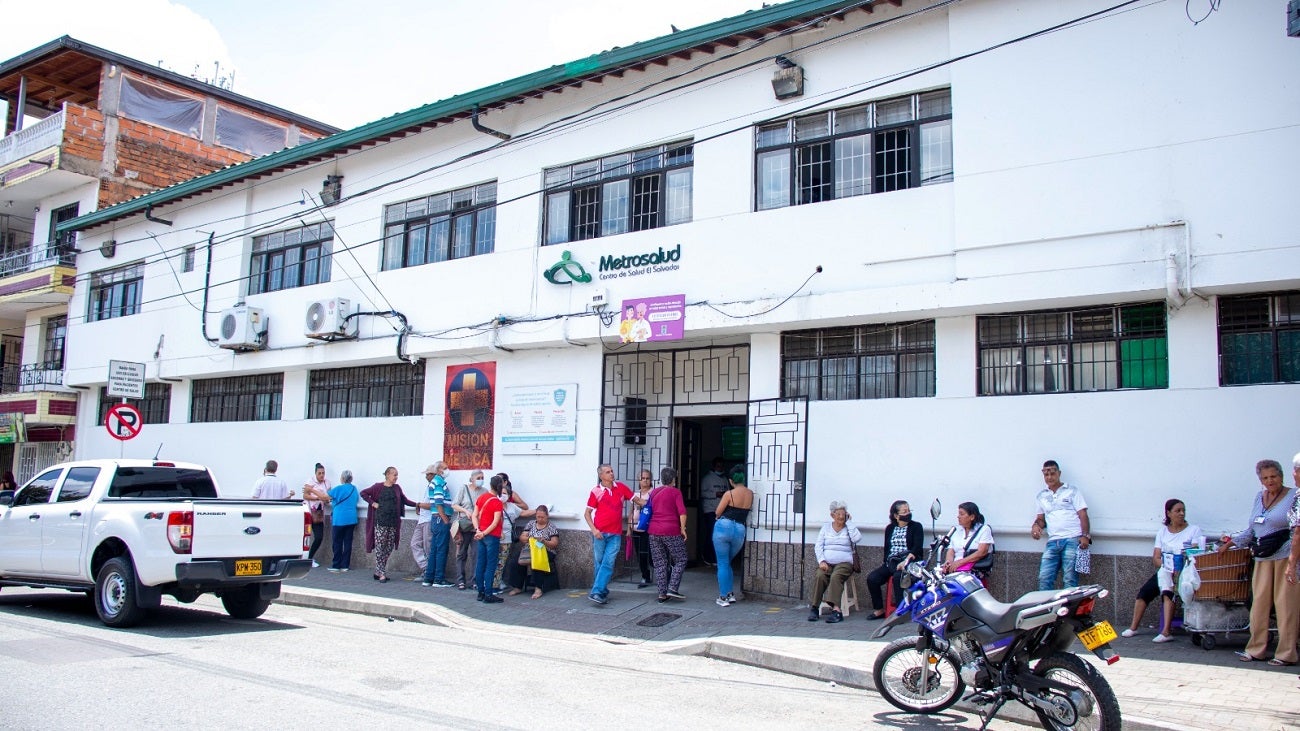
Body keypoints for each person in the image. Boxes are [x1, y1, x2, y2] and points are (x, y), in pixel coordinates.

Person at [1219, 459, 1297, 666]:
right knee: (1259, 605)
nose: (1270, 481)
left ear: (1281, 476)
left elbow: (1297, 529)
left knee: (1285, 605)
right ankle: (1256, 649)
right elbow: (1253, 529)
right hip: (1262, 557)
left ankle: (1286, 653)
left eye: (1274, 476)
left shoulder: (1294, 496)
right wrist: (1231, 543)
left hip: (1285, 556)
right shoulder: (1258, 497)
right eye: (1265, 478)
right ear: (1260, 480)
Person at [1122, 499, 1203, 642]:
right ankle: (1133, 627)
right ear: (1169, 513)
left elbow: (1195, 554)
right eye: (1178, 511)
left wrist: (1179, 566)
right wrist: (1166, 566)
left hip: (1184, 572)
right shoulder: (1163, 532)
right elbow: (1156, 558)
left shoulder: (1193, 530)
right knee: (1145, 592)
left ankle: (1166, 632)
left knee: (1168, 592)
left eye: (1183, 510)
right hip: (1166, 569)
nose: (1182, 513)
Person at [1030, 459, 1090, 590]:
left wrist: (1085, 535)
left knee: (1070, 579)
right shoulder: (1041, 496)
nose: (1049, 477)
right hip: (1053, 541)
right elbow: (1041, 519)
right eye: (1046, 474)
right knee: (1044, 578)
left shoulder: (1072, 491)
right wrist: (1036, 526)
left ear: (1059, 473)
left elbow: (1083, 514)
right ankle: (1046, 604)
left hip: (1072, 539)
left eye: (1052, 473)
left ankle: (1069, 605)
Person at [584, 464, 633, 605]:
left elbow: (635, 499)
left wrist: (651, 501)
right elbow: (587, 513)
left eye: (612, 471)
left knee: (608, 562)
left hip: (615, 534)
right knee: (599, 562)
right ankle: (602, 591)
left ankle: (596, 591)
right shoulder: (596, 491)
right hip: (599, 533)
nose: (611, 473)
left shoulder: (621, 488)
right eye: (607, 472)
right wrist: (594, 530)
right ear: (601, 476)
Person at [866, 500, 924, 619]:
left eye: (908, 511)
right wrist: (887, 562)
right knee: (872, 579)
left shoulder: (916, 527)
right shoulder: (890, 528)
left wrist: (905, 562)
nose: (908, 513)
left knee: (898, 577)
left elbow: (917, 548)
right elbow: (887, 548)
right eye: (904, 511)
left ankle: (900, 611)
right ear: (896, 516)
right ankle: (879, 609)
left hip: (909, 562)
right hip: (892, 562)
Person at [360, 467, 416, 583]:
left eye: (397, 475)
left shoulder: (397, 488)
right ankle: (382, 572)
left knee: (389, 546)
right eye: (394, 475)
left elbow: (405, 500)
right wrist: (373, 503)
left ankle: (378, 571)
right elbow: (363, 493)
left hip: (393, 522)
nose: (396, 477)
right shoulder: (377, 487)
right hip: (380, 522)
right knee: (380, 547)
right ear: (387, 475)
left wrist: (418, 505)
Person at [809, 500, 860, 624]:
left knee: (836, 576)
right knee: (820, 575)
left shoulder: (849, 527)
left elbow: (857, 538)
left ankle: (836, 611)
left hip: (845, 563)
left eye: (843, 514)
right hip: (827, 563)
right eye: (838, 514)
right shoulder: (826, 528)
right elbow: (818, 546)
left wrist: (849, 522)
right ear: (832, 515)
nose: (841, 517)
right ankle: (814, 607)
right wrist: (822, 561)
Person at [712, 468, 753, 607]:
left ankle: (723, 597)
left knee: (722, 563)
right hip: (740, 529)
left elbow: (718, 512)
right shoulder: (750, 494)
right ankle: (730, 594)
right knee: (727, 562)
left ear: (731, 481)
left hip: (724, 527)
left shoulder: (729, 494)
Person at [648, 467, 688, 603]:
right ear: (673, 479)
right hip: (671, 530)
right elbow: (682, 512)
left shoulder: (654, 492)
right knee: (681, 559)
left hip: (654, 530)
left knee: (659, 563)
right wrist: (683, 529)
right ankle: (673, 588)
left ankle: (662, 594)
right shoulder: (675, 492)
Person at [506, 504, 561, 599]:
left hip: (546, 550)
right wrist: (528, 538)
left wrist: (544, 541)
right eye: (538, 517)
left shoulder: (551, 527)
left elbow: (554, 543)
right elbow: (522, 537)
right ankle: (517, 586)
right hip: (530, 549)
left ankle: (538, 588)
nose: (540, 519)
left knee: (537, 561)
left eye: (542, 517)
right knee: (515, 561)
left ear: (547, 516)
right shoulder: (531, 524)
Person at [494, 473, 532, 591]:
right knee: (493, 561)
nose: (503, 495)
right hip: (494, 537)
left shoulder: (511, 506)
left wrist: (540, 510)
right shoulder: (493, 503)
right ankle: (491, 585)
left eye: (505, 493)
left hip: (507, 539)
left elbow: (524, 512)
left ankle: (496, 584)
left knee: (502, 562)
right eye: (501, 493)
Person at [420, 462, 456, 588]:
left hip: (436, 519)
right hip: (440, 519)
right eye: (445, 468)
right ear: (439, 470)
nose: (447, 470)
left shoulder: (435, 482)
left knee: (434, 549)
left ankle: (429, 578)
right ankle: (439, 579)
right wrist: (445, 519)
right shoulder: (439, 482)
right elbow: (438, 502)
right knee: (441, 550)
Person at [473, 474, 506, 603]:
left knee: (480, 564)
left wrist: (478, 530)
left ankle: (480, 592)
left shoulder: (481, 497)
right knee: (491, 565)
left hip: (481, 534)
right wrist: (484, 533)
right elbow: (495, 522)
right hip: (491, 536)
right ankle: (488, 594)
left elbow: (474, 515)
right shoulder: (497, 502)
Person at [451, 470, 487, 590]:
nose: (481, 480)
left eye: (482, 477)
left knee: (476, 554)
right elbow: (454, 505)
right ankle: (460, 580)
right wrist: (465, 511)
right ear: (472, 479)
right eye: (478, 478)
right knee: (461, 553)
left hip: (477, 527)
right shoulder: (464, 488)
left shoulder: (484, 491)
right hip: (464, 525)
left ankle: (474, 581)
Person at [943, 502, 994, 581]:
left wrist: (959, 563)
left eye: (961, 514)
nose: (958, 516)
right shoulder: (957, 530)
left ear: (972, 517)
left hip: (973, 572)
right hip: (955, 571)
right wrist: (948, 562)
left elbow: (982, 552)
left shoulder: (984, 529)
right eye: (958, 514)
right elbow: (951, 550)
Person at [410, 463, 444, 574]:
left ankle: (430, 572)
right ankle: (426, 568)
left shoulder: (436, 486)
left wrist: (419, 505)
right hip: (422, 520)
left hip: (429, 520)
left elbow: (434, 505)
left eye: (428, 474)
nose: (426, 477)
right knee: (414, 544)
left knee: (428, 547)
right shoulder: (429, 486)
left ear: (433, 475)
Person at [325, 470, 360, 572]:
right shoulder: (354, 489)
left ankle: (336, 565)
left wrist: (312, 490)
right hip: (351, 519)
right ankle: (345, 565)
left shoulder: (339, 488)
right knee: (348, 542)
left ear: (343, 478)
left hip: (339, 519)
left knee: (337, 542)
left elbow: (325, 496)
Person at [627, 468, 655, 589]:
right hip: (635, 528)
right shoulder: (635, 494)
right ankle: (645, 576)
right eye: (642, 478)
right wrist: (629, 528)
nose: (645, 480)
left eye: (647, 478)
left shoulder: (653, 493)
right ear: (639, 480)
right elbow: (631, 511)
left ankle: (664, 573)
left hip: (648, 529)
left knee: (650, 554)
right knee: (640, 554)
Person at [699, 457, 728, 566]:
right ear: (714, 466)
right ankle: (707, 556)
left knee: (720, 536)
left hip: (722, 511)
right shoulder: (707, 478)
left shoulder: (724, 479)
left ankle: (716, 557)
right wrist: (715, 494)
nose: (720, 468)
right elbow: (701, 493)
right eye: (718, 466)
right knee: (711, 534)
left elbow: (728, 493)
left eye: (722, 466)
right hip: (710, 510)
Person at [302, 462, 329, 568]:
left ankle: (310, 557)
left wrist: (316, 493)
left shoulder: (327, 483)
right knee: (306, 536)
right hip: (309, 513)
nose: (322, 475)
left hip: (319, 514)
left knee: (319, 537)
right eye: (319, 473)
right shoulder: (310, 481)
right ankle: (304, 557)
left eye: (323, 473)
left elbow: (327, 497)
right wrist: (317, 497)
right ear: (315, 473)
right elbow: (305, 495)